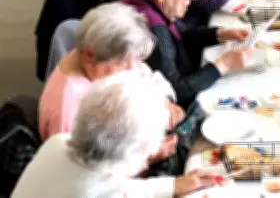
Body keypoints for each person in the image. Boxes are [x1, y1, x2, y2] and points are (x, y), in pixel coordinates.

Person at [14, 73, 217, 197]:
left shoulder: (58, 143)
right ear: (136, 153)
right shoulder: (98, 190)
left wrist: (172, 185)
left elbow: (117, 188)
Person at [120, 0, 254, 107]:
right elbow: (176, 89)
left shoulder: (143, 1)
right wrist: (224, 64)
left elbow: (183, 35)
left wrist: (221, 34)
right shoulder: (151, 31)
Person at [39, 3, 178, 143]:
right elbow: (84, 157)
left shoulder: (100, 58)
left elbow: (147, 76)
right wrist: (152, 154)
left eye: (136, 60)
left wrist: (164, 101)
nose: (133, 70)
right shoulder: (70, 112)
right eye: (122, 63)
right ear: (89, 55)